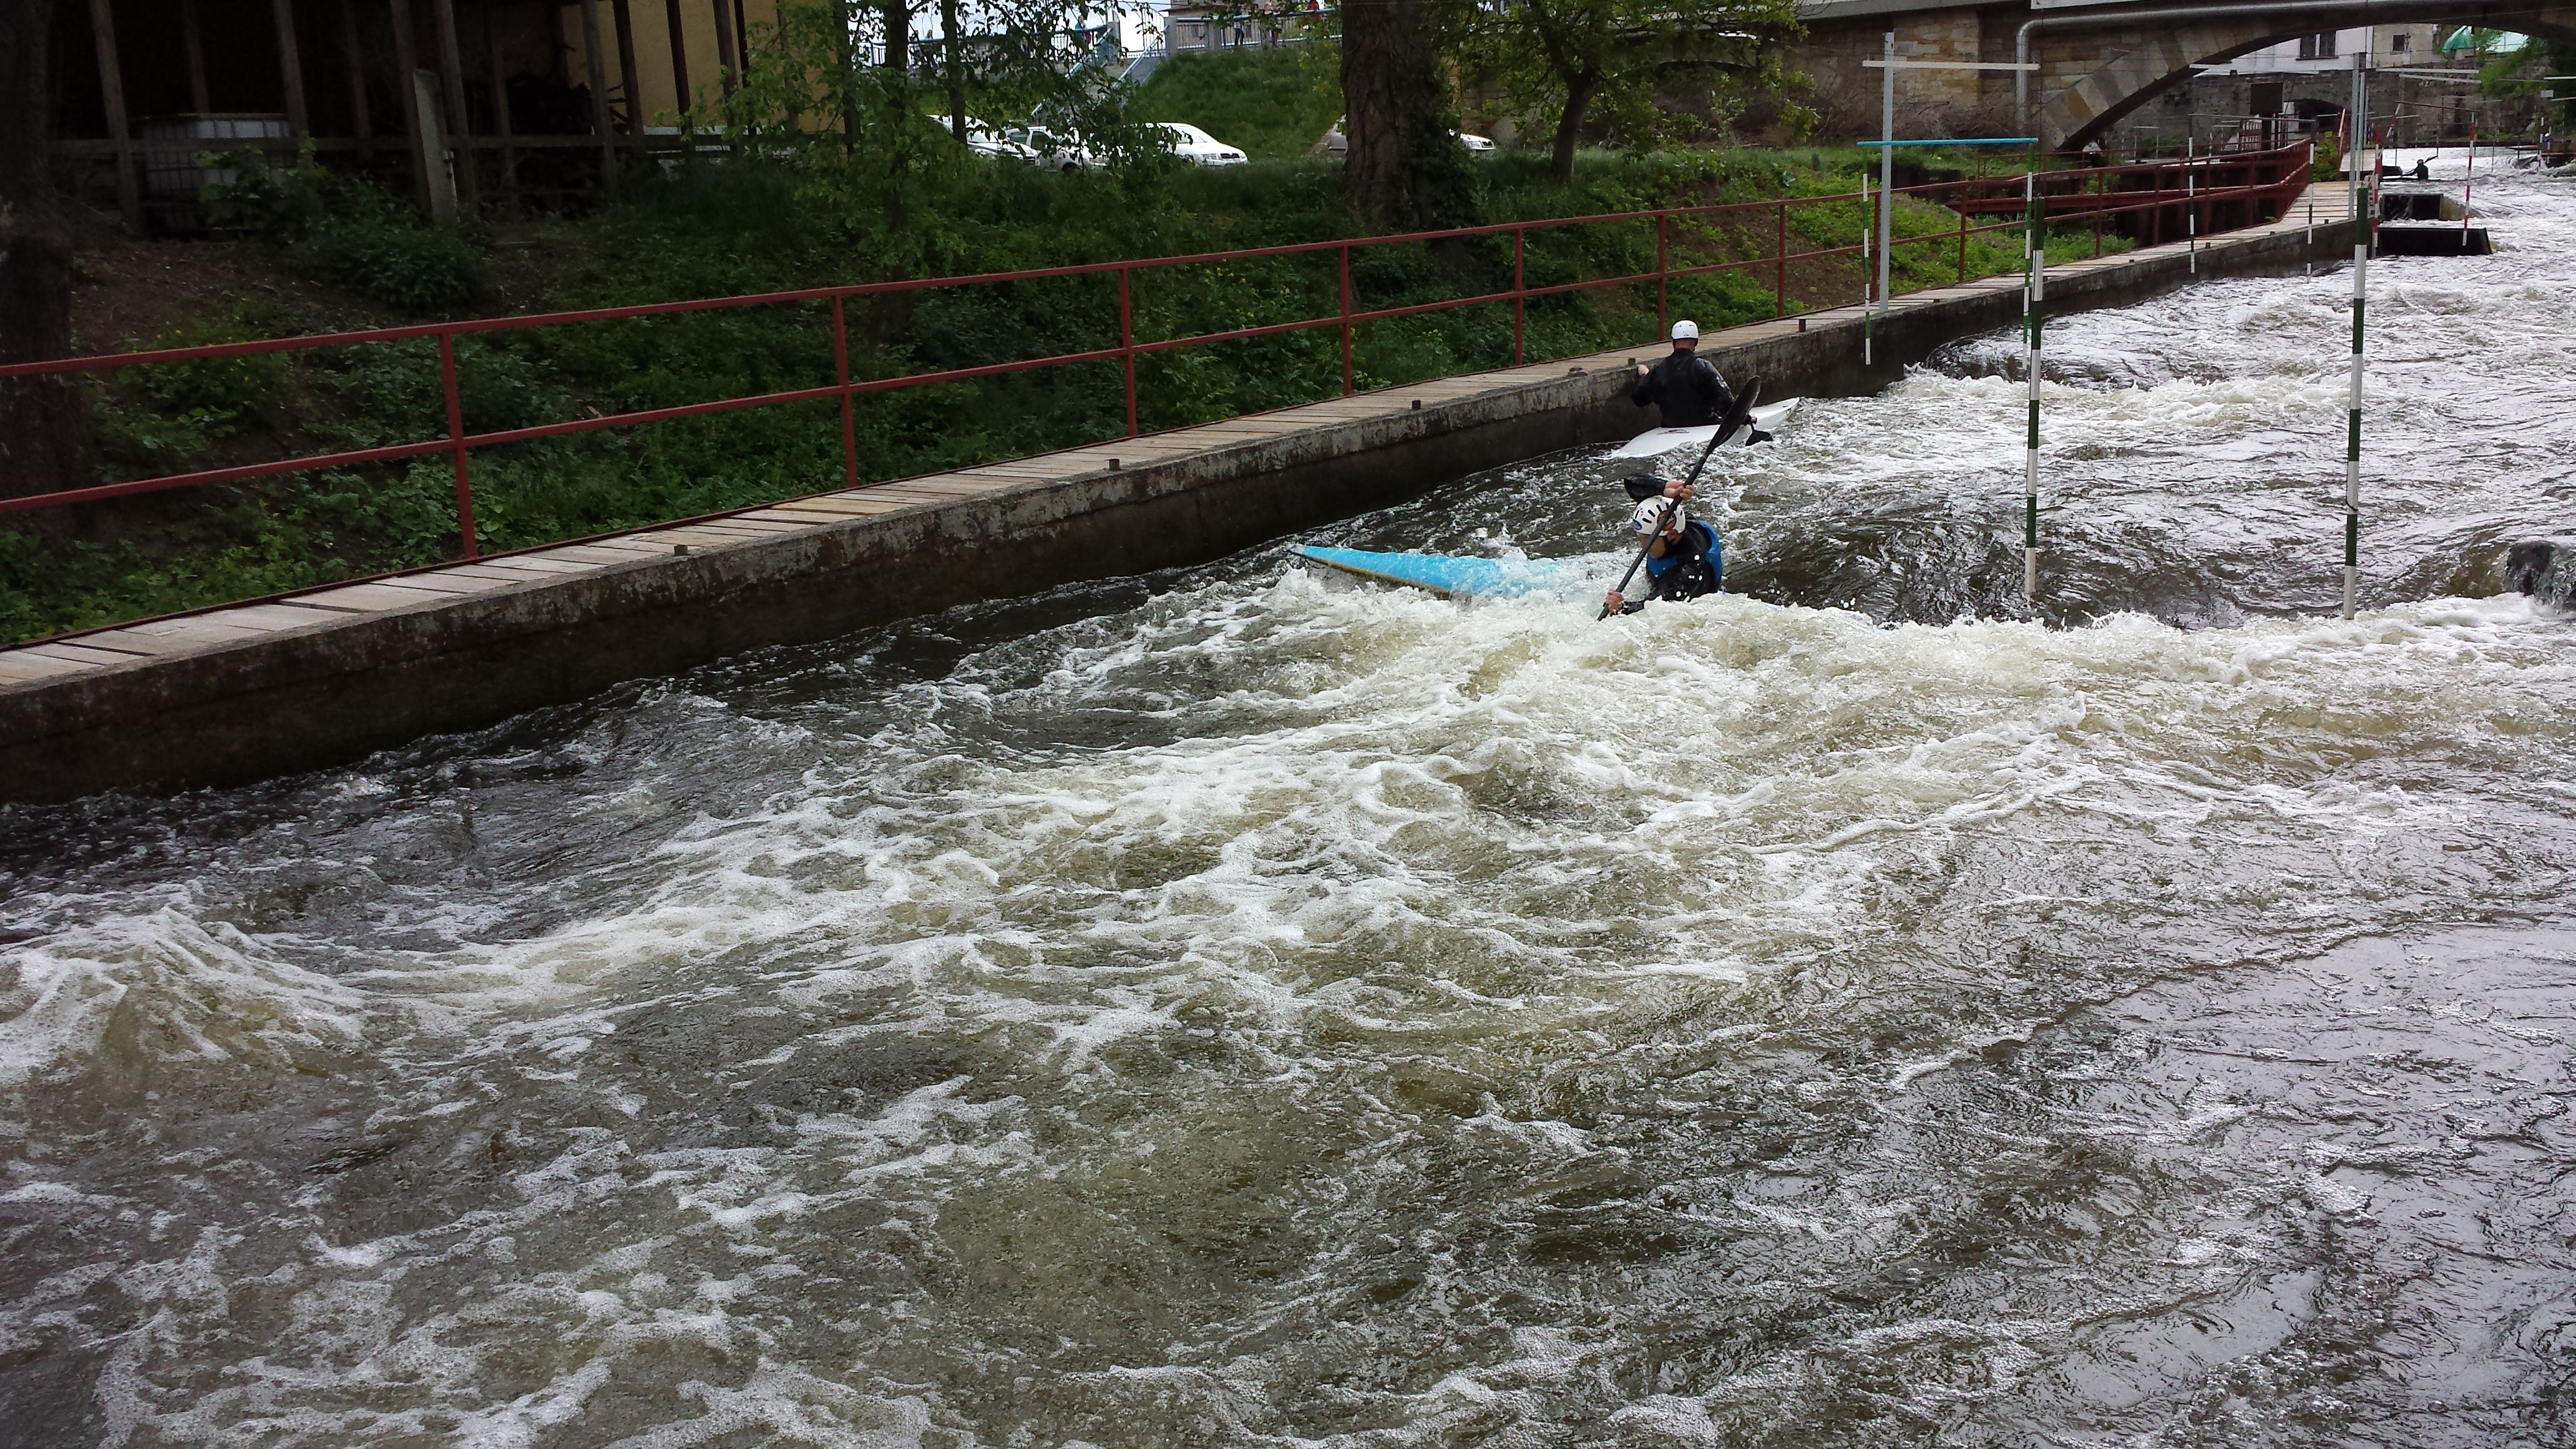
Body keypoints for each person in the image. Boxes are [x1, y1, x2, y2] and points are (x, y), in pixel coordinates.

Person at [1603, 479, 1721, 614]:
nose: (1642, 545)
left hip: (1691, 608)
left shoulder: (1688, 572)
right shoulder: (1673, 523)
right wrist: (1663, 488)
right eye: (1641, 536)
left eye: (1648, 538)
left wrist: (1621, 608)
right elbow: (1632, 483)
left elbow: (1651, 609)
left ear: (1672, 536)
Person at [1631, 320, 1737, 428]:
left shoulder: (1660, 369)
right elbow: (1726, 401)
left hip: (1670, 428)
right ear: (1696, 342)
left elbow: (1639, 399)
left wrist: (1645, 376)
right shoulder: (1702, 366)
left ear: (1673, 342)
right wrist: (1743, 418)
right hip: (1705, 426)